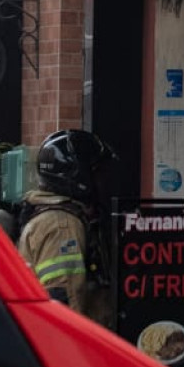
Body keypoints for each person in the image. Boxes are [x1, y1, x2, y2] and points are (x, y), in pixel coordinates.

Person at [16, 129, 114, 323]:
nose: (103, 181)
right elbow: (66, 303)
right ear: (80, 176)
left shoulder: (46, 216)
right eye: (97, 173)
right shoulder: (63, 227)